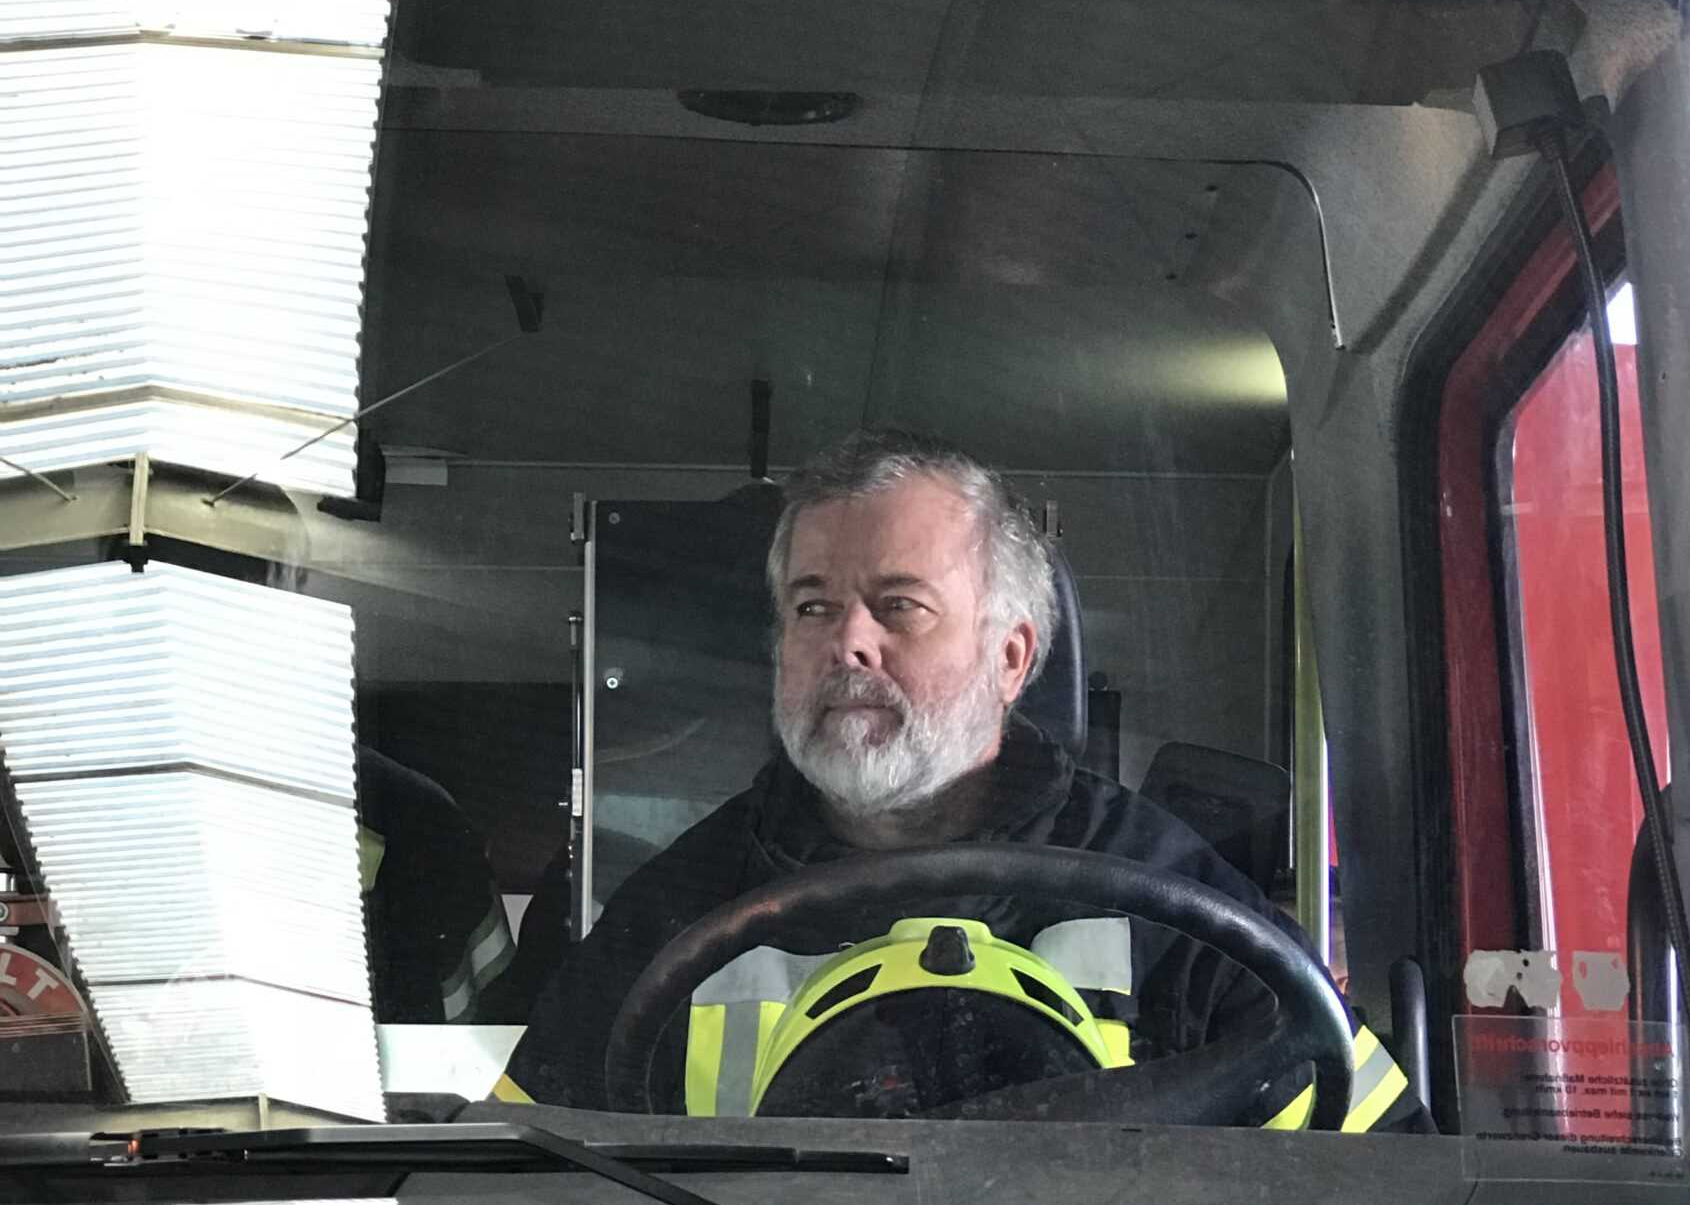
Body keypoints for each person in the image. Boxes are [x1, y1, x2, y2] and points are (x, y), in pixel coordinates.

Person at [502, 431, 1421, 1130]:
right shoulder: (671, 912)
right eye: (812, 606)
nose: (848, 642)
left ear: (1010, 658)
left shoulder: (1178, 905)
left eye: (898, 606)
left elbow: (1382, 1190)